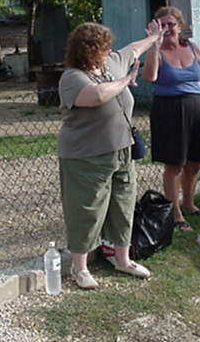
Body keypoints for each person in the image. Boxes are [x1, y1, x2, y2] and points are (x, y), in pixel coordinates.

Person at [58, 21, 162, 289]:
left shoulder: (111, 63)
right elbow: (97, 96)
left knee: (123, 205)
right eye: (103, 47)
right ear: (88, 50)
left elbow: (133, 49)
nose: (108, 51)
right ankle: (80, 267)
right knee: (87, 209)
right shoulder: (72, 78)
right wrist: (126, 80)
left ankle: (123, 260)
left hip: (121, 150)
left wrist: (154, 38)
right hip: (86, 156)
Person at [142, 6, 200, 232]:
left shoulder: (193, 48)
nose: (167, 28)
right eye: (162, 25)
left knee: (195, 162)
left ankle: (189, 203)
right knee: (174, 164)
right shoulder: (157, 51)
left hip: (196, 109)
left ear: (180, 26)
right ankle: (175, 214)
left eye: (171, 24)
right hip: (169, 111)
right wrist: (154, 44)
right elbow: (149, 77)